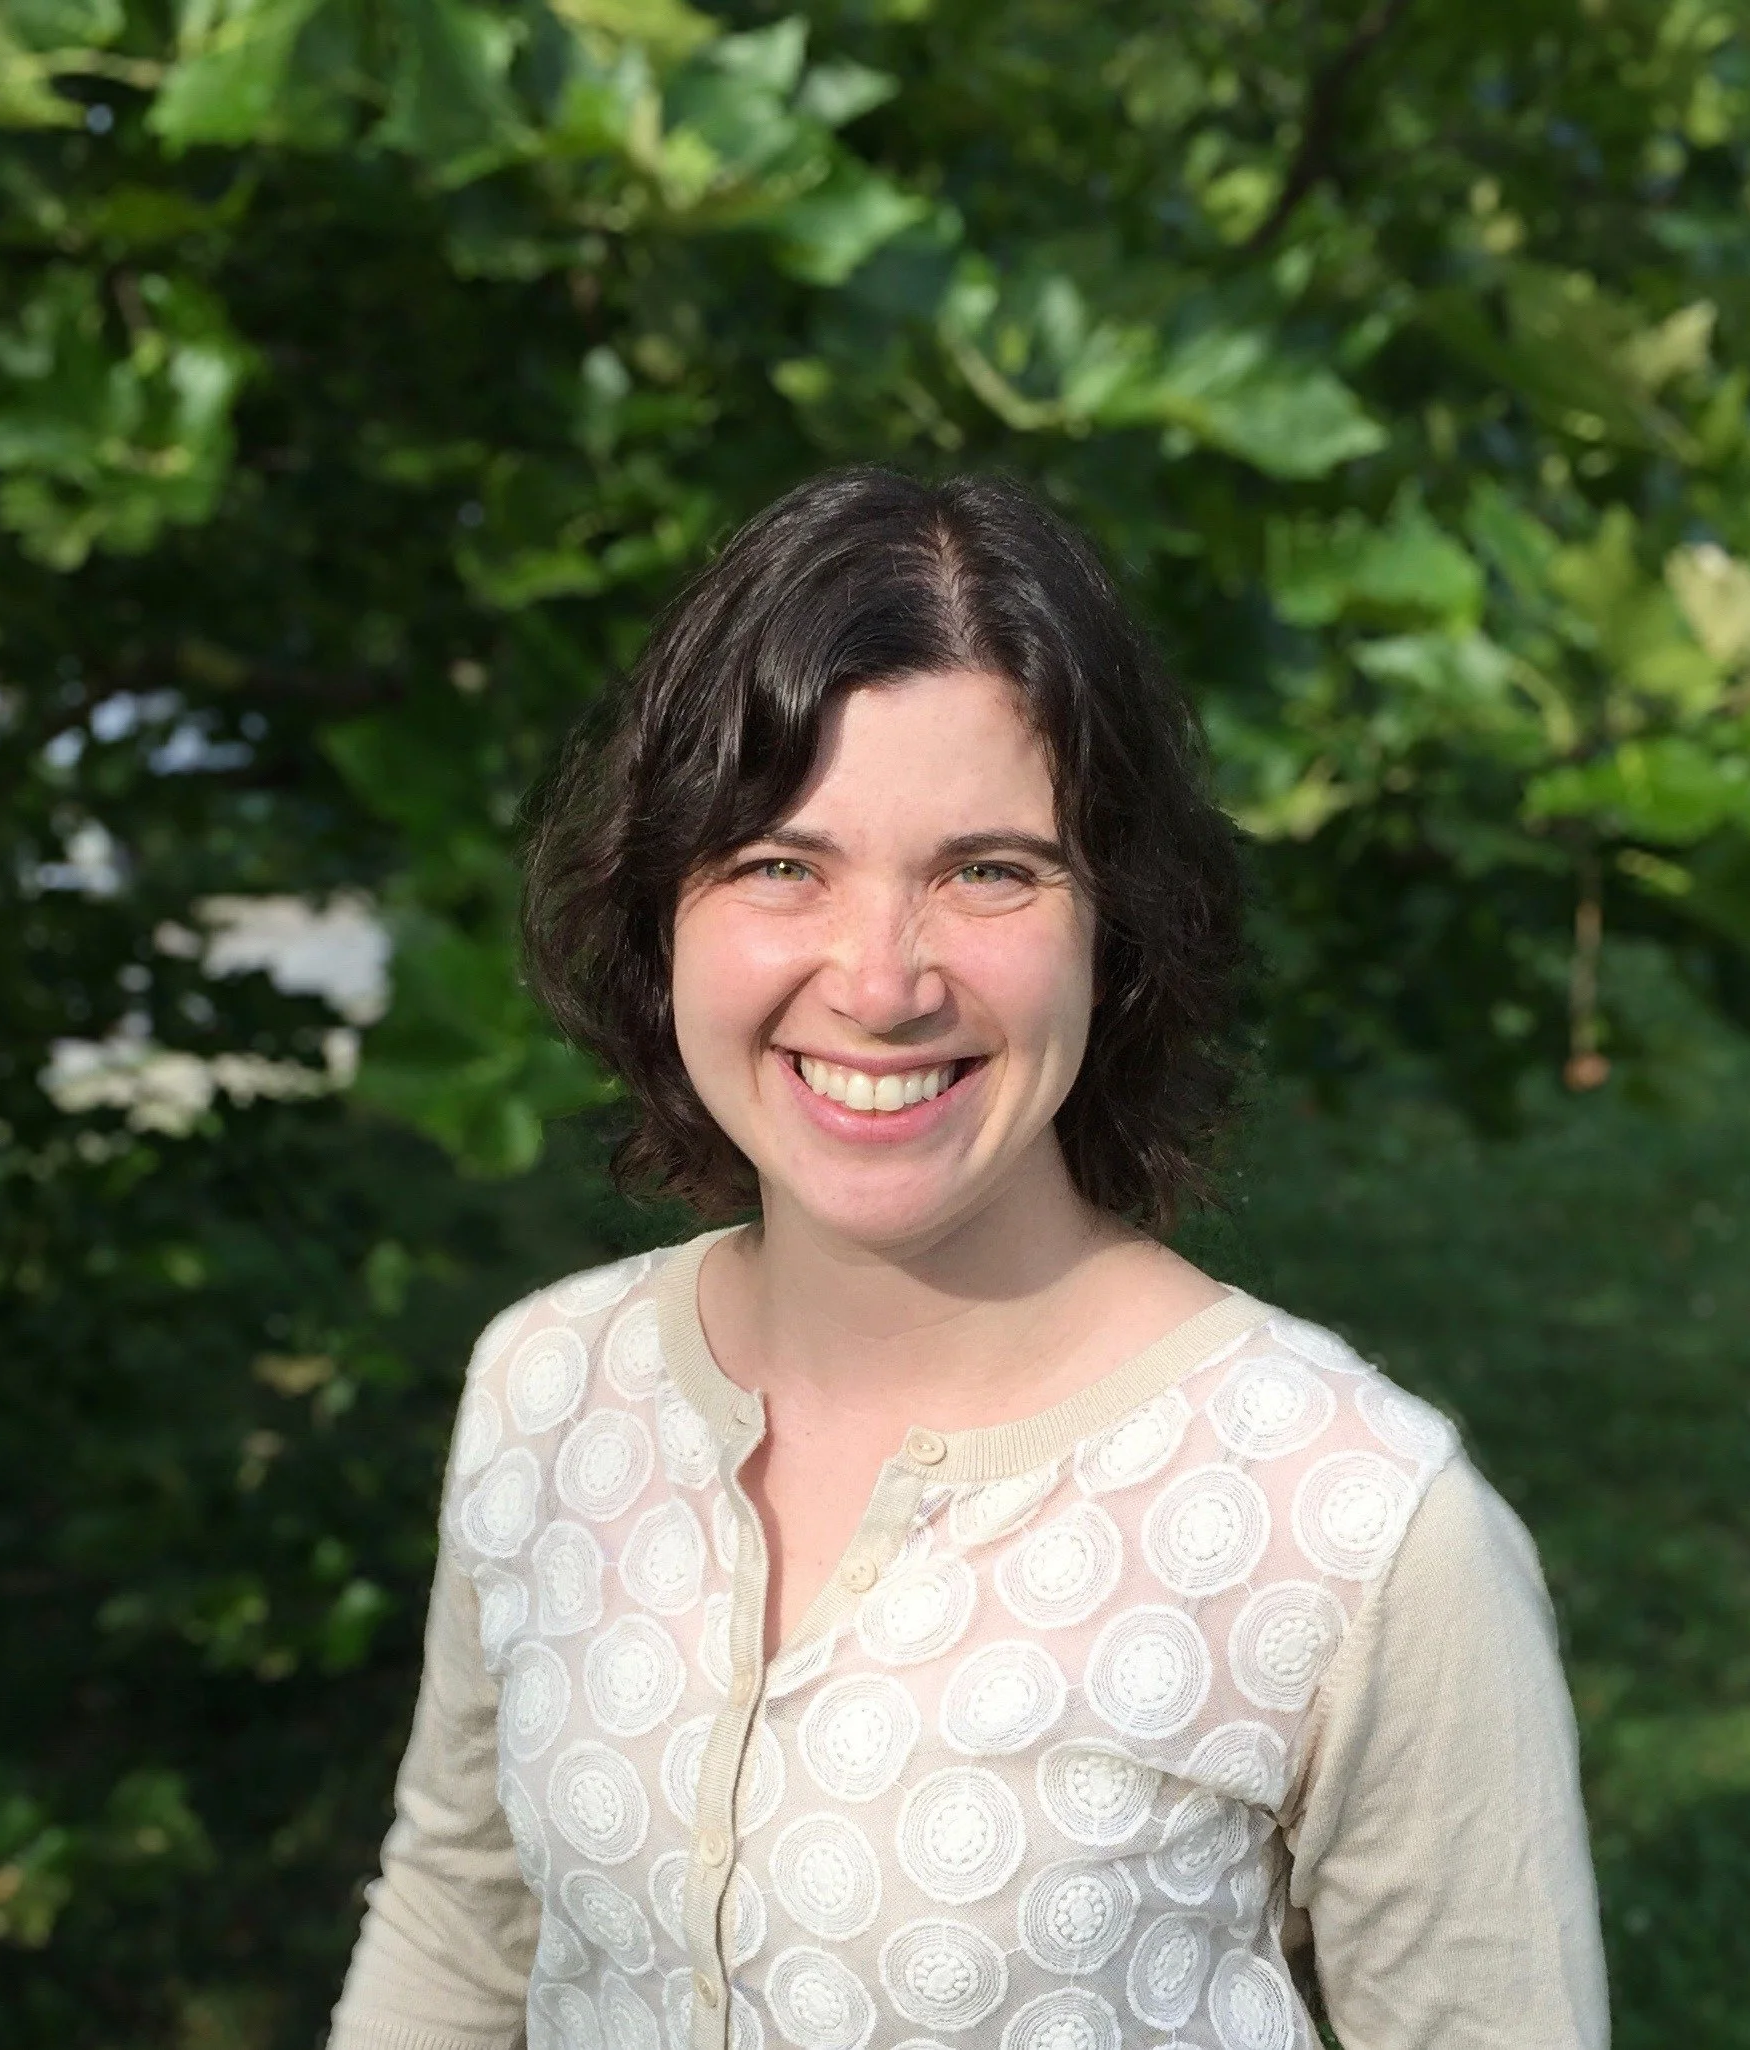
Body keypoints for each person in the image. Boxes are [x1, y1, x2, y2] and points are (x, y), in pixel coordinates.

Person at [326, 468, 1608, 2050]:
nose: (878, 980)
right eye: (780, 863)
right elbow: (460, 1926)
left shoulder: (1355, 1531)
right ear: (662, 912)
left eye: (986, 869)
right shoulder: (544, 1390)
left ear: (1113, 926)